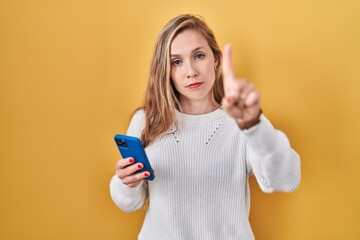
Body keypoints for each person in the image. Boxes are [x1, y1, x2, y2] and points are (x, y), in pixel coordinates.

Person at [110, 14, 301, 240]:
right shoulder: (147, 121)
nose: (191, 71)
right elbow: (129, 204)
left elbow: (286, 179)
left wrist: (255, 126)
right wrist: (126, 182)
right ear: (166, 70)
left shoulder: (241, 121)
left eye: (199, 56)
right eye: (176, 62)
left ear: (216, 60)